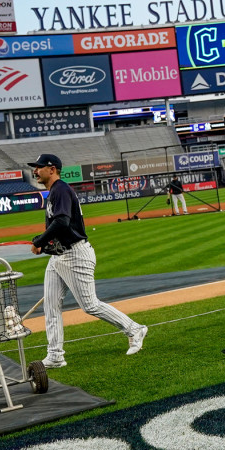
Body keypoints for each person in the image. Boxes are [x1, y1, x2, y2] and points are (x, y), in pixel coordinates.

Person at [27, 154, 147, 368]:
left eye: (38, 168)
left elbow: (63, 222)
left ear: (52, 169)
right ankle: (55, 355)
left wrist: (39, 241)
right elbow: (60, 228)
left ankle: (134, 328)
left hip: (75, 255)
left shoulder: (61, 189)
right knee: (52, 306)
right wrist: (45, 245)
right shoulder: (54, 191)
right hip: (60, 256)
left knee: (90, 305)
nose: (35, 171)